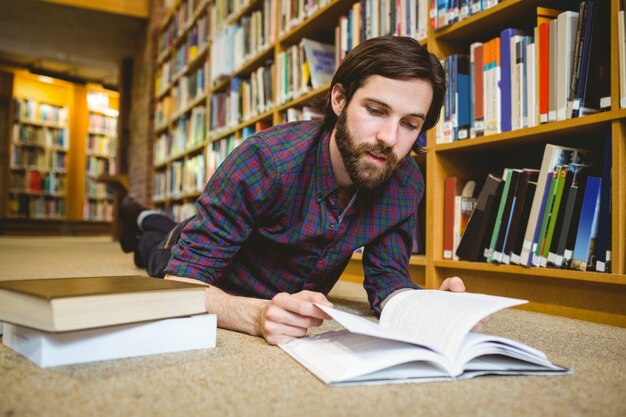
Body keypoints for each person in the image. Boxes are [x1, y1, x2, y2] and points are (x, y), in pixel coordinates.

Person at [120, 36, 484, 345]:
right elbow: (182, 285)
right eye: (375, 110)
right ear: (339, 100)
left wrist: (433, 311)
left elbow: (388, 279)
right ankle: (143, 216)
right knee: (154, 246)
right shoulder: (264, 160)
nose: (389, 139)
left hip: (270, 277)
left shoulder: (404, 183)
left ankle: (146, 216)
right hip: (213, 272)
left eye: (409, 124)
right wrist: (256, 314)